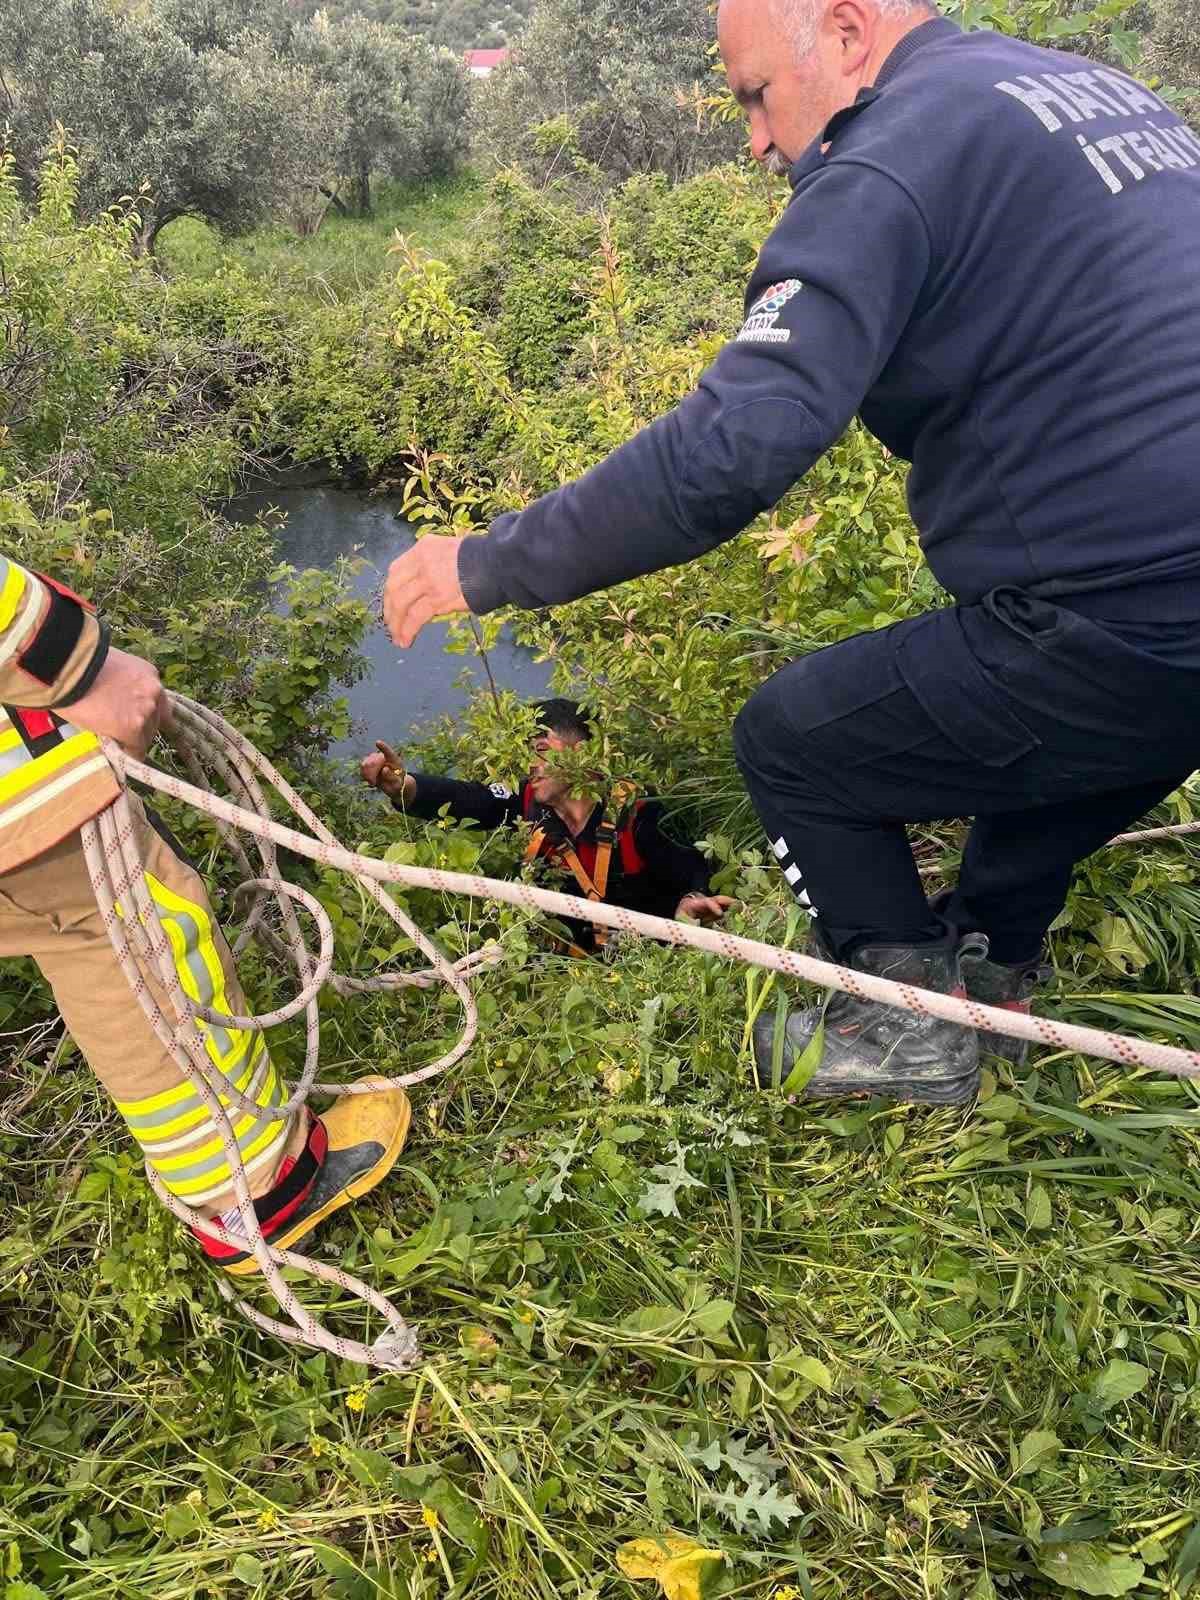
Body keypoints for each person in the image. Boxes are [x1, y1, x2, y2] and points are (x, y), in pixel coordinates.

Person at [377, 0, 1200, 1105]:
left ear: (847, 33)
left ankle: (909, 1035)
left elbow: (730, 450)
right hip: (1161, 636)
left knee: (794, 743)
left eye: (758, 95)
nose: (759, 141)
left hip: (1128, 612)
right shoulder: (1092, 93)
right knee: (1041, 727)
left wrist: (484, 563)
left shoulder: (887, 154)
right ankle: (994, 974)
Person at [0, 555, 411, 1272]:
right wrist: (74, 667)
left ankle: (220, 1181)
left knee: (77, 943)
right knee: (138, 942)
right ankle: (263, 1192)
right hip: (27, 804)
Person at [360, 698, 733, 953]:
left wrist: (692, 902)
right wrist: (404, 787)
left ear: (583, 754)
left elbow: (692, 869)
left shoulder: (635, 812)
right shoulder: (527, 804)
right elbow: (470, 799)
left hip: (649, 968)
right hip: (569, 973)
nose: (530, 763)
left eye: (541, 749)